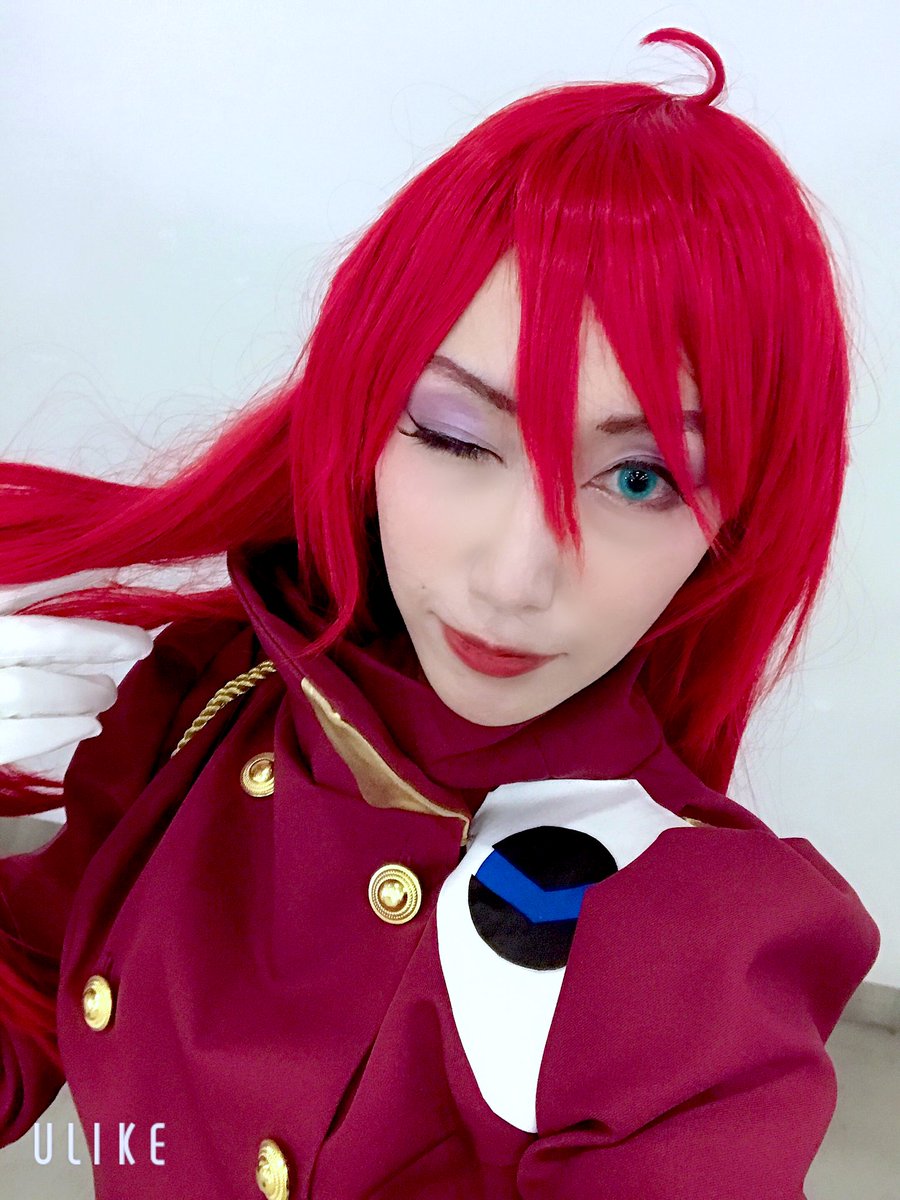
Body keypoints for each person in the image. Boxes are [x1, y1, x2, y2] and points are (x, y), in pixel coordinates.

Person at [0, 26, 880, 1199]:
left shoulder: (688, 950)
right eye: (459, 437)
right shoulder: (209, 697)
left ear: (737, 519)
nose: (517, 577)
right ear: (364, 413)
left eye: (641, 479)